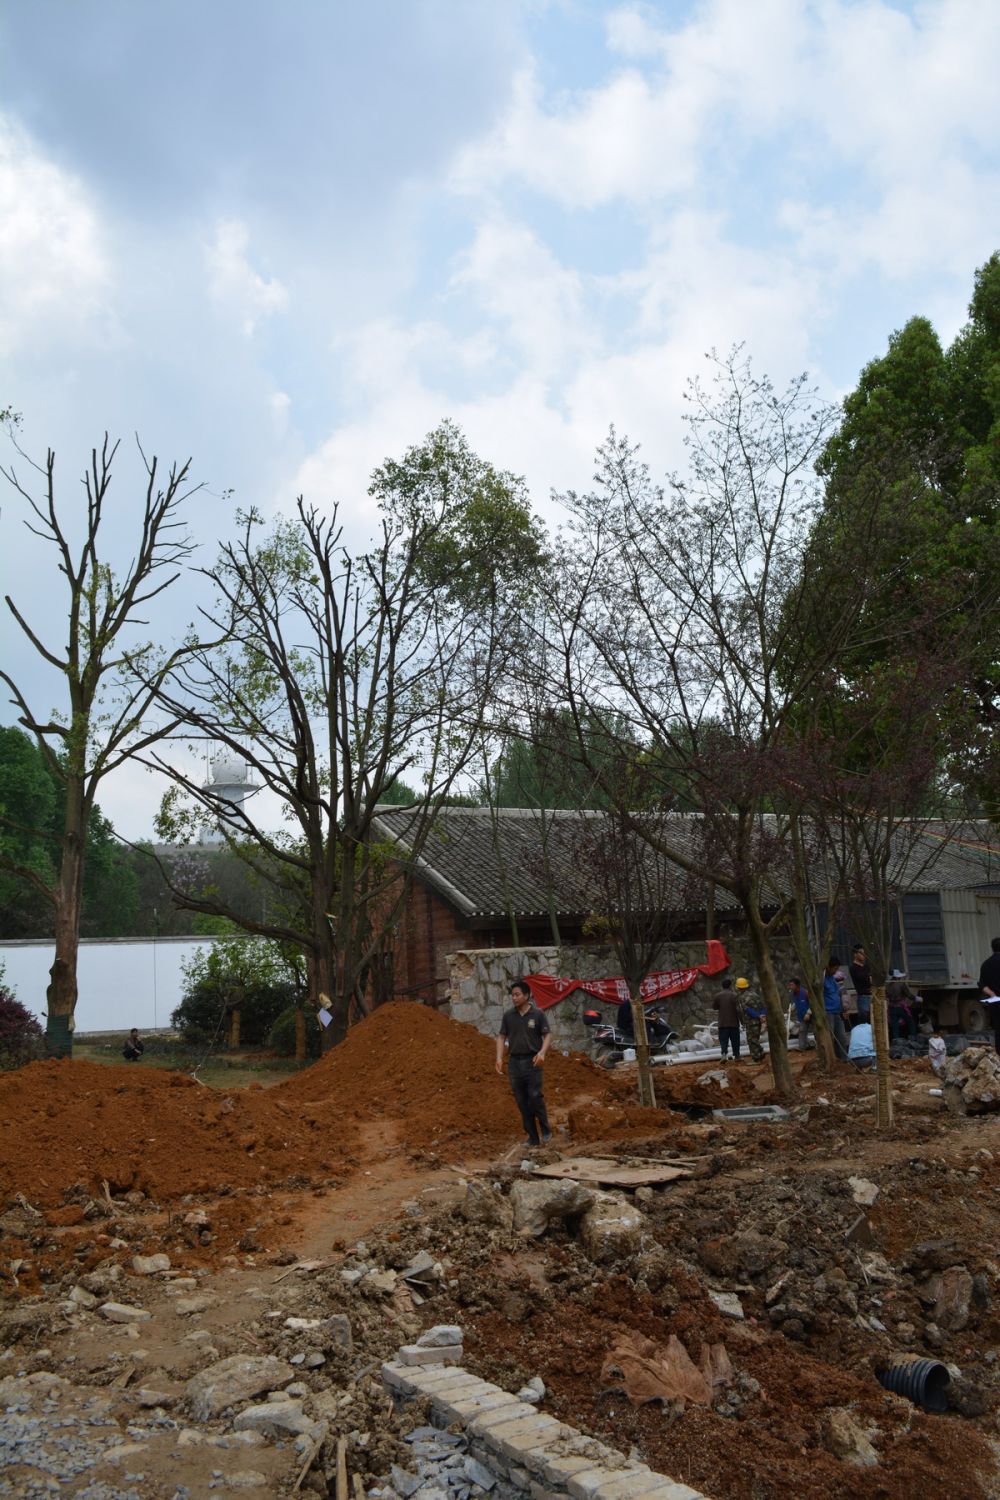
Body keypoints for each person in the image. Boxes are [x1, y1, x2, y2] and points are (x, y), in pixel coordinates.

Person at [496, 980, 552, 1148]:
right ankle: (532, 1137)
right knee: (521, 1101)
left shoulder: (538, 1014)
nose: (514, 998)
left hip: (533, 1061)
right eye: (512, 995)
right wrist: (499, 1058)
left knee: (534, 1096)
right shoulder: (508, 1016)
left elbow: (547, 1035)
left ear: (526, 995)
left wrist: (542, 1052)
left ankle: (545, 1128)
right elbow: (501, 1037)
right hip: (514, 1063)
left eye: (517, 994)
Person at [712, 978, 744, 1063]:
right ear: (730, 986)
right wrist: (742, 1021)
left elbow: (714, 1007)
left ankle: (723, 1055)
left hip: (722, 1023)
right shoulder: (735, 995)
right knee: (735, 1040)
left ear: (722, 986)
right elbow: (739, 1010)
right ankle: (737, 1056)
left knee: (723, 1040)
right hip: (734, 1022)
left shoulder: (717, 996)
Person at [823, 957, 849, 1061]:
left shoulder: (833, 979)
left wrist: (844, 1009)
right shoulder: (822, 979)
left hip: (837, 1012)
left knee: (842, 1037)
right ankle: (832, 1059)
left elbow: (839, 993)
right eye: (834, 968)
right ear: (828, 967)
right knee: (831, 1037)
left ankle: (844, 1058)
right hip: (828, 1012)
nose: (835, 971)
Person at [978, 937, 1000, 1057]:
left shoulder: (986, 964)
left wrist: (992, 994)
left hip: (995, 1001)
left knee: (998, 1028)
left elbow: (981, 984)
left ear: (992, 948)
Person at [886, 970, 918, 1041]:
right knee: (910, 1021)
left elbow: (886, 996)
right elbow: (908, 994)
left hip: (892, 1008)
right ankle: (913, 1038)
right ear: (897, 977)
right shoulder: (901, 984)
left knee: (895, 1025)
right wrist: (916, 998)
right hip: (900, 1007)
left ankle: (896, 1040)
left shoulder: (888, 986)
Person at [739, 979, 766, 1062]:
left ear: (739, 988)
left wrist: (758, 1016)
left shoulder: (742, 997)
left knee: (751, 1039)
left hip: (751, 1021)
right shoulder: (755, 994)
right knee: (755, 1038)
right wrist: (762, 1015)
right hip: (758, 1021)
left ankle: (757, 1056)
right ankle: (759, 1055)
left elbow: (747, 1010)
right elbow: (762, 1006)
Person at [848, 945, 873, 1026]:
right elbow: (865, 979)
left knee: (873, 1020)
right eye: (861, 953)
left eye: (864, 953)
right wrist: (869, 979)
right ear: (855, 954)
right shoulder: (853, 968)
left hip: (872, 995)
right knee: (864, 1020)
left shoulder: (867, 966)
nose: (863, 955)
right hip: (863, 997)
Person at [788, 978, 812, 1050]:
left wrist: (809, 1013)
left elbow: (812, 1003)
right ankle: (802, 1047)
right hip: (802, 1017)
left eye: (792, 985)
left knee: (817, 1032)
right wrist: (792, 1007)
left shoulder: (805, 992)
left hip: (811, 1015)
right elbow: (796, 1002)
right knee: (802, 1031)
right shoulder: (794, 994)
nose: (790, 987)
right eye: (789, 985)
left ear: (797, 985)